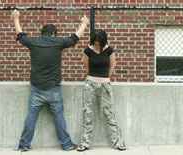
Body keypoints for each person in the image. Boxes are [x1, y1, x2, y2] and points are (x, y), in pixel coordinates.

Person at [12, 10, 89, 152]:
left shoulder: (34, 42)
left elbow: (21, 36)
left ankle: (23, 145)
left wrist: (16, 18)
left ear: (42, 33)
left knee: (31, 118)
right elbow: (75, 38)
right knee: (59, 118)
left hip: (37, 88)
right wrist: (84, 23)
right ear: (54, 34)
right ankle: (66, 145)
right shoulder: (58, 42)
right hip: (53, 88)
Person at [77, 30, 126, 151]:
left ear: (103, 41)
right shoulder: (88, 50)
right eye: (95, 42)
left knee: (109, 113)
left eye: (99, 42)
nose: (97, 44)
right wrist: (93, 78)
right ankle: (85, 143)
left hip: (105, 85)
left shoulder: (109, 50)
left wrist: (106, 78)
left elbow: (112, 65)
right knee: (88, 113)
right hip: (90, 85)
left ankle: (118, 142)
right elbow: (86, 66)